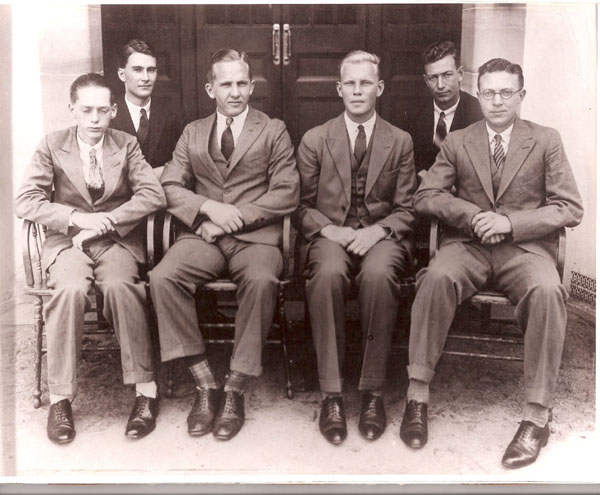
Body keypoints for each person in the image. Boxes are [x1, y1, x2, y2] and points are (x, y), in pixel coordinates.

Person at [400, 58, 583, 469]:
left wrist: (511, 223)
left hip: (524, 249)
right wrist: (473, 216)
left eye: (506, 92)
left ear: (521, 95)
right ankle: (417, 395)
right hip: (470, 244)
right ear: (478, 95)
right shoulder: (458, 140)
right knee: (434, 278)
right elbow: (426, 196)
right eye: (488, 92)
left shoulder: (546, 140)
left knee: (548, 291)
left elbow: (569, 207)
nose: (497, 101)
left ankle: (536, 417)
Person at [149, 48, 299, 441]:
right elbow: (169, 185)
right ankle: (204, 381)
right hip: (204, 235)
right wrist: (208, 209)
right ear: (210, 88)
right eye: (226, 84)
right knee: (163, 278)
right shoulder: (193, 132)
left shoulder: (273, 129)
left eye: (242, 83)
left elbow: (287, 191)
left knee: (262, 281)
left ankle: (236, 386)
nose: (235, 92)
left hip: (256, 238)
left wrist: (236, 217)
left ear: (252, 86)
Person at [14, 73, 167, 444]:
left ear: (114, 110)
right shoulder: (52, 145)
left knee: (122, 287)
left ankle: (145, 391)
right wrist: (77, 219)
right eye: (86, 110)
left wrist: (107, 221)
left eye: (102, 110)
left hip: (115, 241)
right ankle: (60, 398)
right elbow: (27, 200)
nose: (95, 118)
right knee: (69, 290)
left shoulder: (126, 144)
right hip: (68, 242)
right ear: (72, 110)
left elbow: (153, 194)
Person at [294, 51, 417, 445]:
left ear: (379, 88)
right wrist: (329, 229)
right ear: (339, 89)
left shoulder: (400, 140)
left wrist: (378, 230)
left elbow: (407, 208)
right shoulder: (316, 139)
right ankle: (331, 394)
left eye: (366, 83)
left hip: (380, 236)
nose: (358, 90)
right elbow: (299, 205)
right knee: (328, 274)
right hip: (331, 235)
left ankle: (372, 392)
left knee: (379, 275)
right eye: (350, 83)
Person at [407, 40, 482, 178]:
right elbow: (407, 159)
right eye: (433, 78)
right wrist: (423, 176)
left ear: (460, 74)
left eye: (447, 75)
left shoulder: (479, 113)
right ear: (425, 80)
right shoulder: (412, 113)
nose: (440, 85)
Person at [110, 39, 184, 175]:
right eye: (137, 70)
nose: (146, 78)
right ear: (122, 74)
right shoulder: (110, 115)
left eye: (151, 70)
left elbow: (181, 164)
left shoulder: (172, 112)